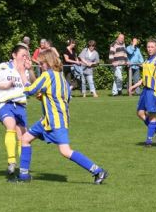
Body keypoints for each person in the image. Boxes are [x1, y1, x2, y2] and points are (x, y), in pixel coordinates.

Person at [17, 48, 107, 184]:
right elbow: (44, 94)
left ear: (48, 62)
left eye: (41, 63)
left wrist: (22, 72)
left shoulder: (48, 75)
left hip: (55, 121)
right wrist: (29, 71)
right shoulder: (61, 78)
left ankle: (98, 171)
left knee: (65, 151)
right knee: (25, 139)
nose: (40, 66)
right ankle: (23, 176)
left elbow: (30, 90)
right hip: (48, 120)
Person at [0, 43, 31, 176]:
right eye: (23, 55)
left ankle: (23, 168)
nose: (25, 58)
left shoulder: (26, 71)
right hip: (4, 102)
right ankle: (11, 162)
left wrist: (29, 70)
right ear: (14, 55)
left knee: (23, 136)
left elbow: (31, 87)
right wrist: (5, 85)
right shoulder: (3, 67)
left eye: (27, 56)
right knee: (10, 125)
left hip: (20, 105)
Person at [128, 39, 156, 146]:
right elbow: (145, 78)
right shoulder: (147, 60)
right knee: (140, 113)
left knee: (152, 116)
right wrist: (135, 86)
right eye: (148, 47)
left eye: (152, 47)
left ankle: (149, 141)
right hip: (145, 91)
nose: (149, 49)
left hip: (153, 91)